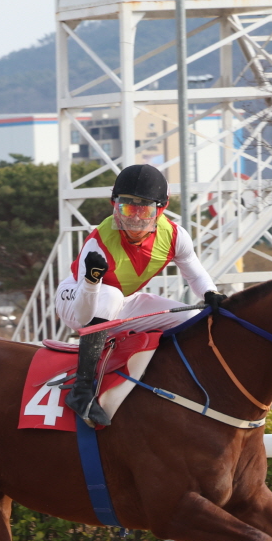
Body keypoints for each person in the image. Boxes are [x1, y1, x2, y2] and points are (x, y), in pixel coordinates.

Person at [55, 163, 225, 426]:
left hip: (117, 303)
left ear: (161, 208)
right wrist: (90, 282)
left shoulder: (176, 236)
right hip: (77, 300)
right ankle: (82, 391)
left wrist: (211, 293)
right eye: (126, 207)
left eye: (143, 208)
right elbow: (83, 315)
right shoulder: (96, 244)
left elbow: (195, 274)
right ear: (114, 205)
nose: (134, 218)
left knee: (191, 317)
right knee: (109, 296)